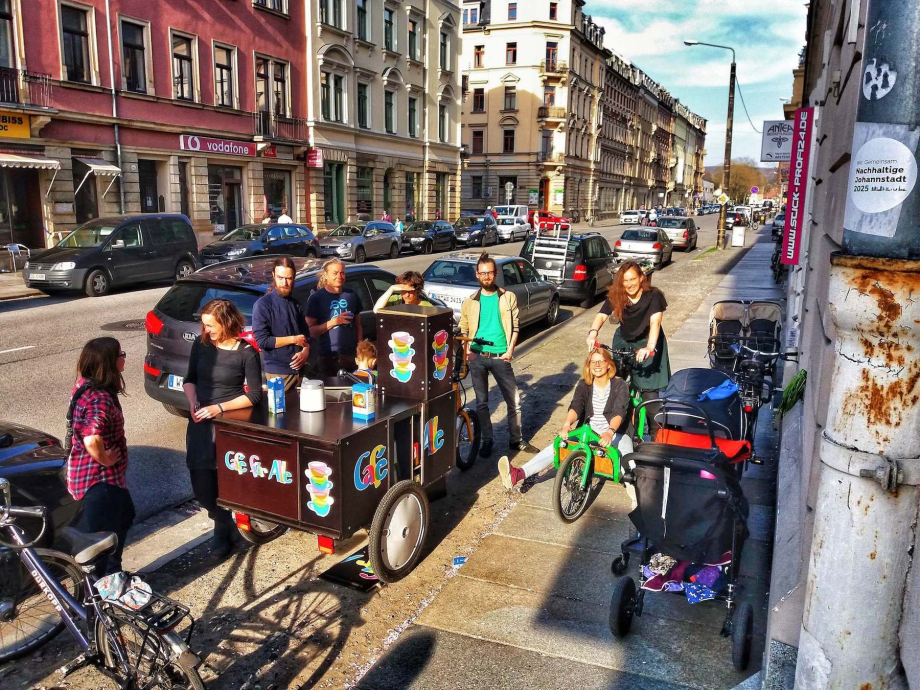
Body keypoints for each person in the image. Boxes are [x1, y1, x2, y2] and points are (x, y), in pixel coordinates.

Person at [183, 299, 263, 559]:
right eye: (204, 325)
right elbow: (189, 380)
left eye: (211, 325)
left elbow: (254, 397)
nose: (206, 330)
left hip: (229, 422)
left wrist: (219, 408)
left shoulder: (246, 353)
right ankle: (221, 519)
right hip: (200, 421)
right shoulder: (201, 344)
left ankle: (222, 529)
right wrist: (193, 402)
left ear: (227, 322)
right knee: (201, 484)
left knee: (227, 479)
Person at [498, 347, 634, 490]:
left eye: (601, 361)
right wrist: (567, 424)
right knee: (557, 445)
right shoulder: (584, 384)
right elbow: (576, 406)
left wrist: (610, 431)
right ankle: (517, 474)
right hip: (589, 431)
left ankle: (635, 490)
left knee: (627, 461)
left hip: (616, 432)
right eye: (593, 362)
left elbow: (619, 411)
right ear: (589, 365)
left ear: (609, 365)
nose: (597, 365)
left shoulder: (620, 385)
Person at [459, 253, 539, 456]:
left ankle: (516, 440)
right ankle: (487, 440)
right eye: (483, 273)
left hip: (500, 356)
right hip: (477, 357)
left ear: (495, 274)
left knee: (514, 401)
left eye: (490, 273)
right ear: (477, 275)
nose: (486, 276)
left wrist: (510, 350)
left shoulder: (507, 297)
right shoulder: (470, 301)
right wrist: (467, 352)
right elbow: (464, 329)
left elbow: (515, 327)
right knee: (482, 403)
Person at [67, 337, 134, 575]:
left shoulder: (83, 385)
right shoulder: (100, 398)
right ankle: (103, 591)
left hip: (84, 475)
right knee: (104, 542)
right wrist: (105, 458)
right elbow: (91, 437)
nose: (124, 357)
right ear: (110, 362)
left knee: (125, 514)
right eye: (121, 354)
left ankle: (112, 577)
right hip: (100, 481)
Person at [585, 261, 671, 437]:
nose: (629, 284)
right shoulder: (618, 295)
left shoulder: (653, 296)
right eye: (625, 281)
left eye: (633, 279)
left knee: (650, 396)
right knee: (614, 383)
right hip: (624, 340)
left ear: (641, 278)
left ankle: (657, 440)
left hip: (648, 341)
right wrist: (593, 333)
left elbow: (655, 322)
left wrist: (650, 347)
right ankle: (615, 430)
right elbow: (602, 315)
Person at [252, 256, 311, 392]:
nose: (284, 283)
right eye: (280, 278)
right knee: (279, 413)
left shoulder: (296, 304)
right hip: (278, 373)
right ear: (273, 275)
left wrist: (306, 351)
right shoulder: (263, 305)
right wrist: (293, 339)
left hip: (302, 372)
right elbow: (262, 341)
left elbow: (306, 335)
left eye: (289, 278)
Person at [306, 258, 363, 376]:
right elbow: (309, 331)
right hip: (328, 357)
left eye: (342, 273)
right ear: (326, 275)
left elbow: (358, 325)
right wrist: (333, 322)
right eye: (335, 273)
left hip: (351, 356)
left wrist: (360, 349)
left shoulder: (351, 295)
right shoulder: (317, 298)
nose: (339, 276)